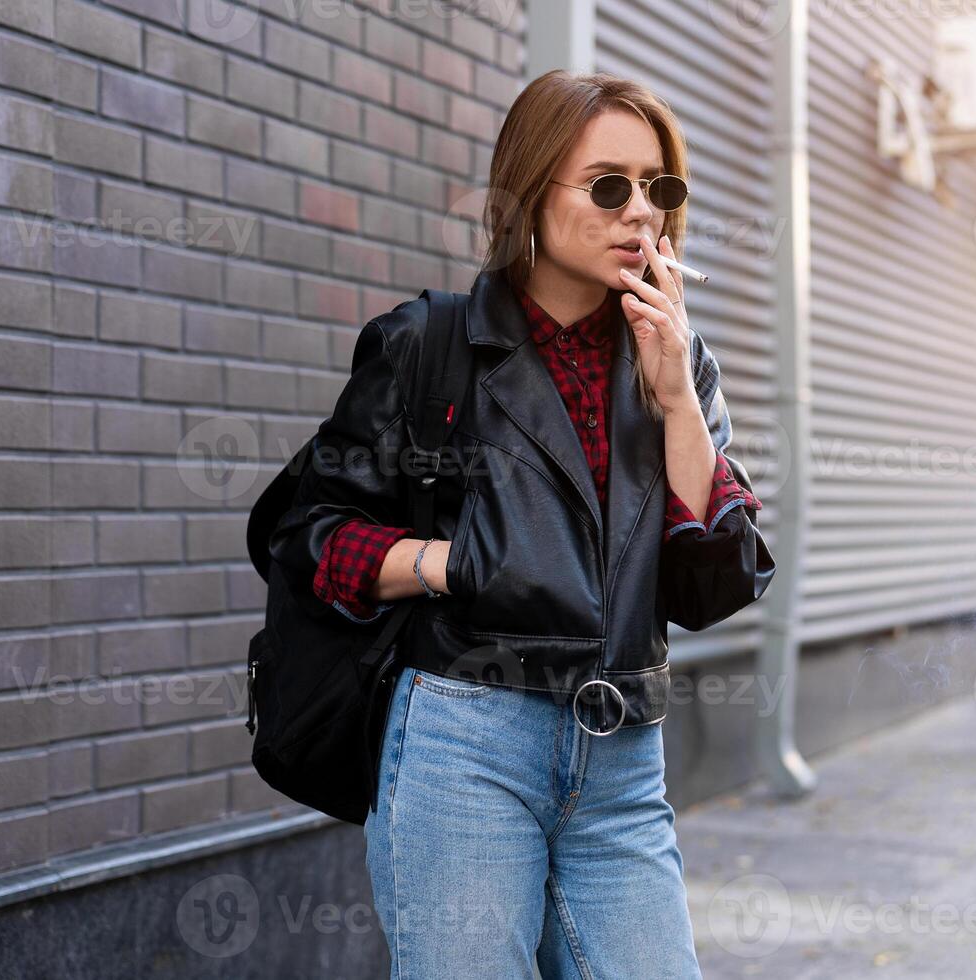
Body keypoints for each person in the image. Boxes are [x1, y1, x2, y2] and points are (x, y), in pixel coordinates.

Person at [273, 69, 775, 979]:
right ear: (530, 193)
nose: (641, 213)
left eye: (659, 189)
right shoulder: (431, 345)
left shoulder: (676, 364)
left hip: (623, 760)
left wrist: (675, 403)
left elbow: (712, 582)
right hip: (465, 742)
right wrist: (450, 563)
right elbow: (307, 536)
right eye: (609, 186)